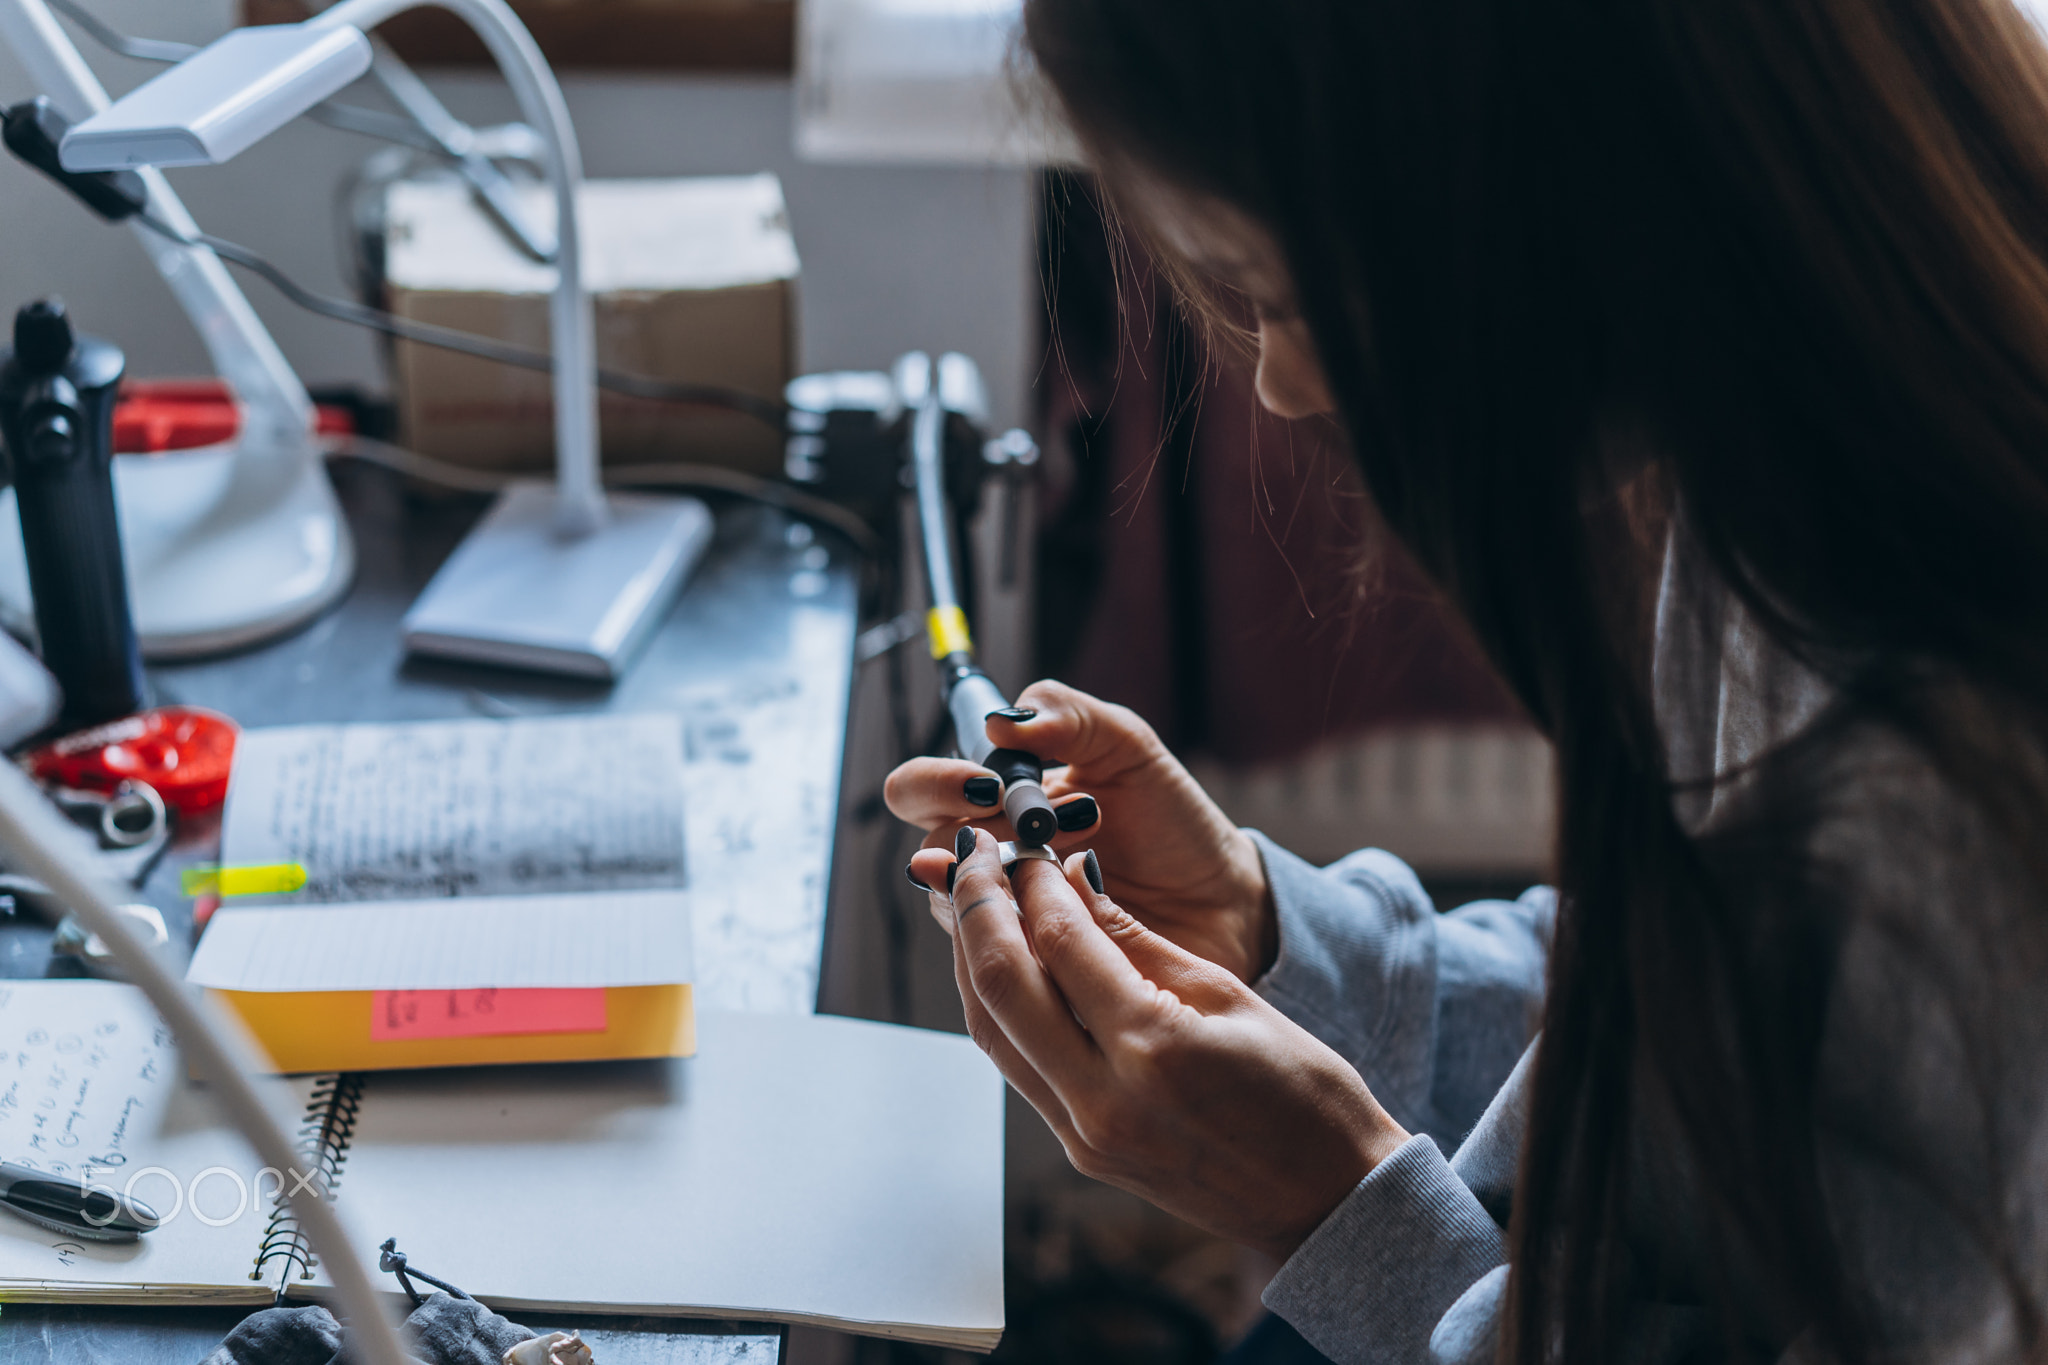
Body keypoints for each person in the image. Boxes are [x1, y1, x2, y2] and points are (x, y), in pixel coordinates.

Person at [886, 1, 2048, 1362]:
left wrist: (1334, 1205)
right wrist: (1274, 936)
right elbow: (1713, 1013)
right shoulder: (1777, 474)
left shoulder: (1972, 803)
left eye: (1292, 293)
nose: (1281, 385)